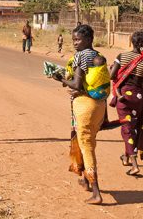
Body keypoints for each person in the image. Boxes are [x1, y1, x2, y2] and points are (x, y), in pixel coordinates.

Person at [51, 25, 106, 205]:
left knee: (86, 145)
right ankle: (85, 179)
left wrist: (60, 79)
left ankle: (96, 191)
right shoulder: (97, 56)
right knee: (89, 142)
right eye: (73, 39)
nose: (75, 43)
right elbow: (92, 83)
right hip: (99, 105)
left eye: (78, 40)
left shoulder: (81, 56)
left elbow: (76, 84)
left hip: (85, 106)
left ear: (89, 39)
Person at [110, 30, 143, 176]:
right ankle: (126, 157)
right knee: (134, 126)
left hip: (124, 97)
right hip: (139, 97)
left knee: (127, 128)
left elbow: (112, 75)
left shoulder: (122, 56)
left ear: (132, 42)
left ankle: (135, 165)